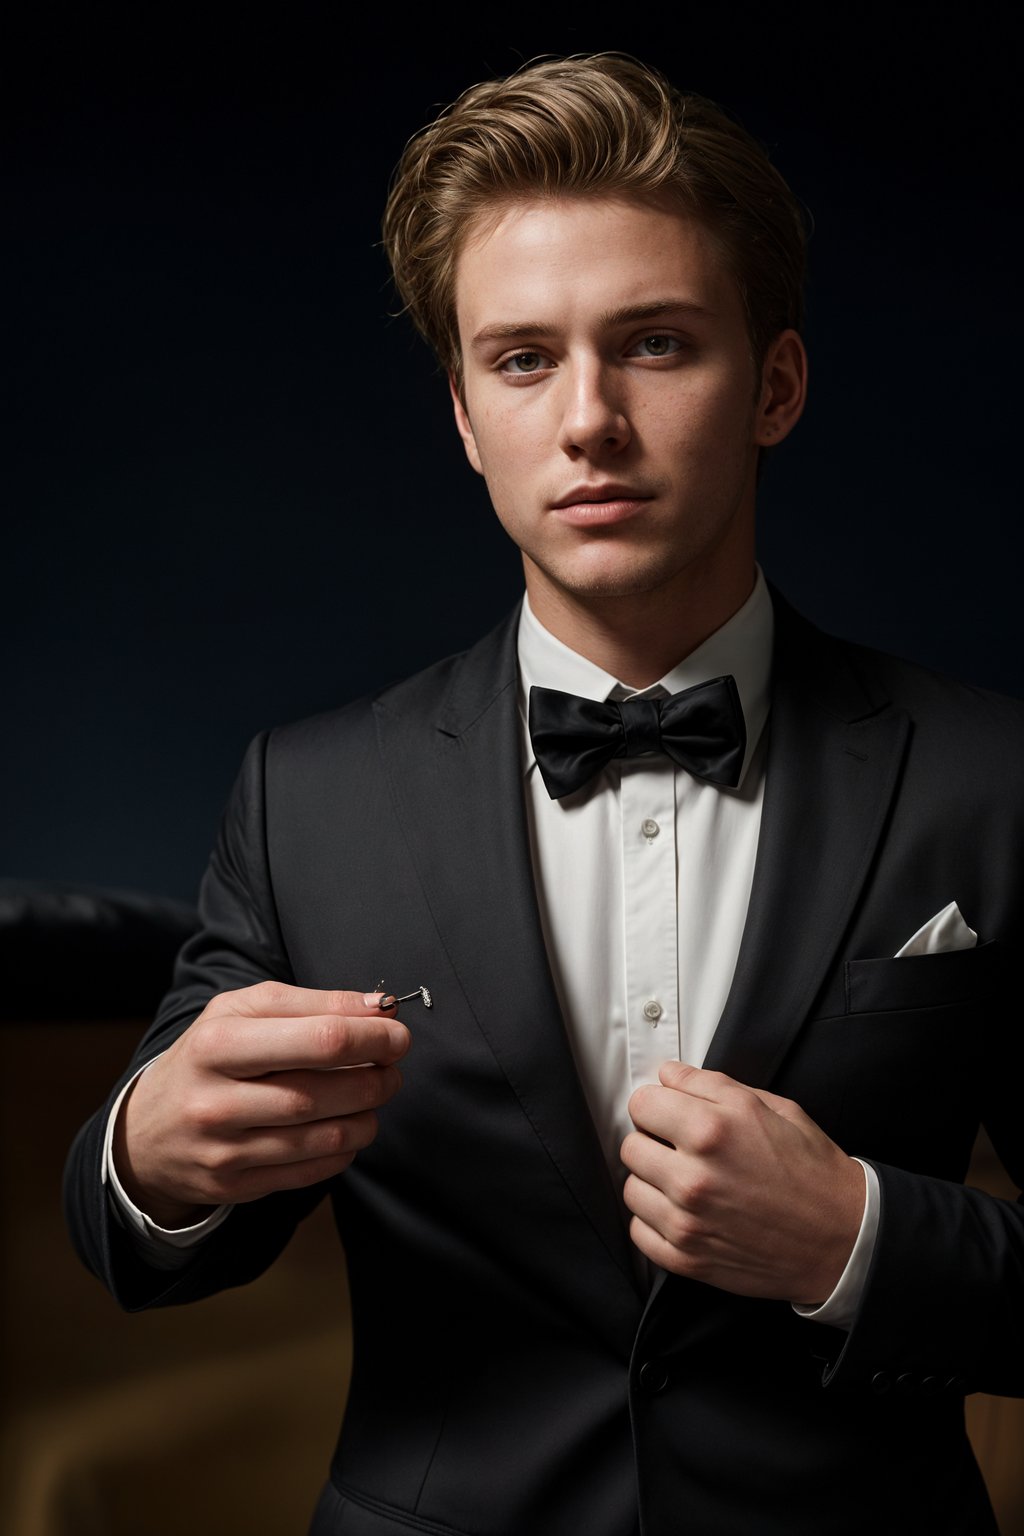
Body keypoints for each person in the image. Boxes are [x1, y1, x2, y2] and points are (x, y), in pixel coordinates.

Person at [65, 53, 1023, 1536]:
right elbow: (133, 1246)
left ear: (774, 384)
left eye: (653, 345)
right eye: (523, 360)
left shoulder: (992, 776)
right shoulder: (305, 794)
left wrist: (858, 1238)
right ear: (463, 411)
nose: (587, 420)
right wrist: (149, 1157)